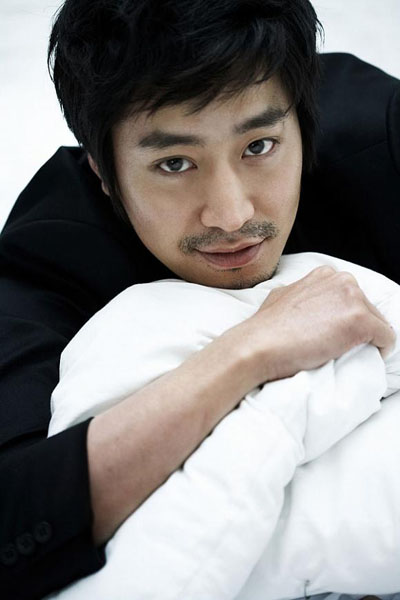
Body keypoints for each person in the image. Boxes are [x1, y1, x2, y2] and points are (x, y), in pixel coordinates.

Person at [0, 0, 399, 598]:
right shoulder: (49, 256)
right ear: (103, 171)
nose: (232, 214)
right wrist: (251, 349)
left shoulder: (378, 132)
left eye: (259, 147)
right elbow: (15, 512)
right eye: (174, 163)